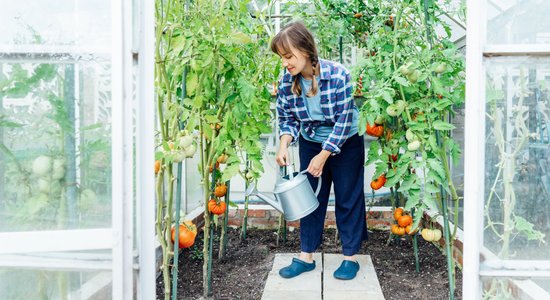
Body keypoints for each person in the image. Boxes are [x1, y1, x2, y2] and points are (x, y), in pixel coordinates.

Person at [271, 21, 368, 280]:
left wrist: (324, 155)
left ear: (306, 50)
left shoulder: (338, 75)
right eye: (282, 58)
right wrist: (283, 144)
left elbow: (344, 119)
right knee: (310, 199)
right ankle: (306, 256)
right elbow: (287, 117)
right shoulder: (286, 81)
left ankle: (350, 257)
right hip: (311, 140)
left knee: (348, 197)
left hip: (345, 141)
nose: (285, 63)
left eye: (289, 56)